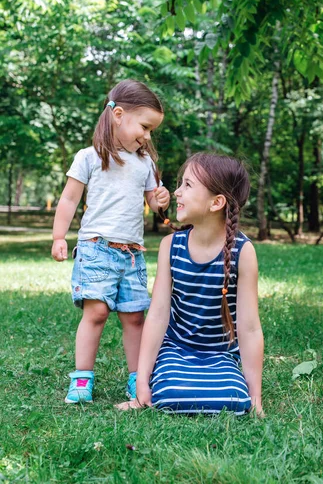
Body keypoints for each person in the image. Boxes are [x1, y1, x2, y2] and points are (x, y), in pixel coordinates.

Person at [116, 153, 264, 415]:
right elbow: (158, 315)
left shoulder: (244, 251)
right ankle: (170, 382)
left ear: (216, 202)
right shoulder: (171, 246)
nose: (176, 192)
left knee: (235, 400)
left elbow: (249, 328)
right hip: (176, 349)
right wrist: (142, 381)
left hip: (220, 355)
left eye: (187, 185)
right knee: (168, 394)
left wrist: (255, 398)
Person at [51, 79, 170, 404]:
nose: (147, 136)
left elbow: (155, 205)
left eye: (151, 131)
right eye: (144, 126)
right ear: (118, 115)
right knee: (97, 312)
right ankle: (81, 380)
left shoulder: (144, 163)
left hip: (132, 254)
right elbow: (68, 199)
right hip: (96, 248)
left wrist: (162, 197)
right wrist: (59, 236)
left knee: (134, 316)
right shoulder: (89, 157)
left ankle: (137, 379)